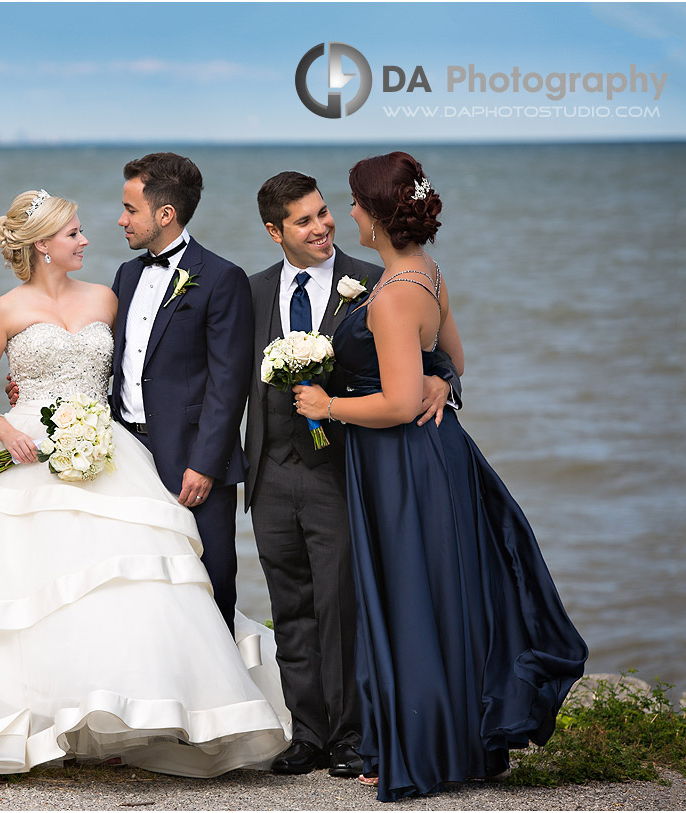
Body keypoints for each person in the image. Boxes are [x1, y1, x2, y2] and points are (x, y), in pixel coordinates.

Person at [0, 190, 289, 777]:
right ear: (43, 246)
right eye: (73, 233)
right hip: (23, 449)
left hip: (103, 447)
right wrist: (6, 428)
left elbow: (139, 368)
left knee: (117, 581)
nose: (84, 240)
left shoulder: (108, 297)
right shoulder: (6, 309)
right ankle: (17, 718)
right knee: (18, 584)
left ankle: (118, 713)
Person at [294, 152, 587, 801]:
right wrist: (440, 378)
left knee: (411, 600)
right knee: (438, 597)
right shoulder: (426, 274)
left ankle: (418, 749)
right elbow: (455, 359)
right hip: (434, 455)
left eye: (353, 203)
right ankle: (452, 742)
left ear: (374, 214)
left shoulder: (395, 296)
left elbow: (398, 403)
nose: (348, 215)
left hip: (402, 462)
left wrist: (327, 405)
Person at [243, 172, 460, 778]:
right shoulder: (251, 292)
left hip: (341, 469)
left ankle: (349, 734)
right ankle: (305, 731)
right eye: (304, 220)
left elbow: (436, 354)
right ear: (274, 231)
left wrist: (443, 381)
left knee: (342, 605)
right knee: (290, 606)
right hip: (269, 472)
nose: (322, 226)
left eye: (323, 213)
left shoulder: (373, 282)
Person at [111, 152, 253, 634]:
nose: (121, 219)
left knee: (209, 584)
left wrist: (206, 464)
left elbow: (228, 381)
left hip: (193, 461)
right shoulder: (126, 276)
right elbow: (117, 362)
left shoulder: (221, 278)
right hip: (125, 457)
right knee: (139, 584)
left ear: (164, 214)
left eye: (131, 209)